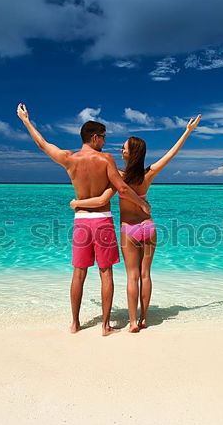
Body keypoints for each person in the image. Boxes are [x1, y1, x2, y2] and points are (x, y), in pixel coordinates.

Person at [16, 103, 151, 336]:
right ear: (95, 137)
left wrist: (26, 120)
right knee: (105, 272)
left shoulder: (69, 159)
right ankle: (106, 326)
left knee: (78, 273)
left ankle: (75, 323)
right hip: (103, 221)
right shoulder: (105, 159)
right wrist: (141, 203)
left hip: (81, 222)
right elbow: (120, 187)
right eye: (104, 138)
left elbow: (42, 144)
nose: (106, 142)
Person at [70, 114, 201, 333]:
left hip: (129, 229)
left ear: (132, 152)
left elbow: (103, 199)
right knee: (145, 274)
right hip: (148, 226)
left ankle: (132, 322)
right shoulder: (148, 174)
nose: (121, 151)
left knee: (132, 276)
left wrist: (77, 203)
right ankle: (144, 319)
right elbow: (171, 154)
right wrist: (187, 131)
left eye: (124, 148)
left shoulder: (118, 176)